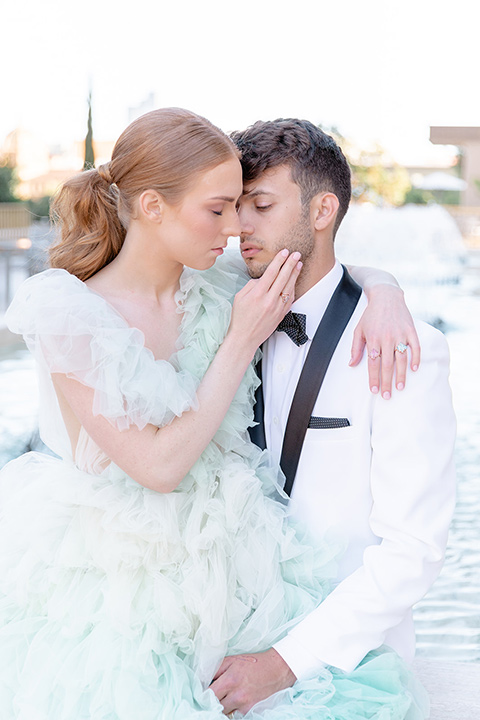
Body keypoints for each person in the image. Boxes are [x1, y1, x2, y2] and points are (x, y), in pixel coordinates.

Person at [0, 108, 427, 720]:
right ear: (152, 207)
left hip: (237, 563)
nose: (234, 229)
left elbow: (312, 259)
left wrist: (386, 289)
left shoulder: (217, 283)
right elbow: (157, 466)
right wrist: (238, 343)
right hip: (119, 585)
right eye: (219, 208)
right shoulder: (70, 313)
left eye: (243, 207)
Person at [210, 118, 457, 716]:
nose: (241, 225)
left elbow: (413, 551)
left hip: (342, 669)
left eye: (261, 205)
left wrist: (286, 662)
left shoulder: (402, 349)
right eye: (236, 206)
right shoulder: (222, 307)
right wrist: (383, 282)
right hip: (225, 643)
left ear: (323, 211)